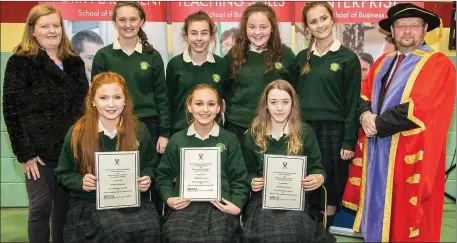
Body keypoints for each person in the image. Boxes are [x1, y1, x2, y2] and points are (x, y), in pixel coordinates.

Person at [342, 3, 456, 242]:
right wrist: (364, 116)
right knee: (378, 212)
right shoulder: (383, 61)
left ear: (425, 29)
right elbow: (364, 94)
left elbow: (420, 107)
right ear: (391, 31)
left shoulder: (438, 63)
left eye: (414, 26)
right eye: (401, 26)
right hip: (378, 152)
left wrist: (377, 125)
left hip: (409, 152)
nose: (407, 31)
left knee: (407, 218)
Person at [2, 4, 88, 243]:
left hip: (70, 150)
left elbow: (84, 107)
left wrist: (83, 145)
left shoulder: (74, 62)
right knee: (40, 208)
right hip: (37, 154)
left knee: (64, 209)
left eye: (56, 25)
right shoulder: (20, 62)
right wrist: (25, 153)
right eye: (45, 26)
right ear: (32, 30)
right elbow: (11, 111)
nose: (52, 31)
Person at [54, 72, 161, 242]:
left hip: (131, 201)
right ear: (93, 101)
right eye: (103, 98)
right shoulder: (77, 132)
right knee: (117, 231)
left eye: (117, 97)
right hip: (90, 203)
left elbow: (151, 164)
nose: (111, 104)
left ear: (125, 100)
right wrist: (81, 182)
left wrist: (148, 177)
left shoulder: (138, 130)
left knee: (152, 228)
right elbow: (63, 172)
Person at [91, 1, 170, 213]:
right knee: (118, 178)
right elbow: (95, 96)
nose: (128, 24)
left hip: (148, 126)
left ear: (142, 21)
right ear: (114, 23)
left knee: (148, 179)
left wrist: (164, 133)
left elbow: (162, 96)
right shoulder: (103, 56)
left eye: (133, 19)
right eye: (122, 20)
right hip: (112, 126)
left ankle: (155, 225)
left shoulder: (152, 56)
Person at [241, 80, 336, 243]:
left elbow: (317, 168)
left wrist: (319, 177)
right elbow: (244, 172)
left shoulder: (305, 132)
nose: (279, 108)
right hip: (262, 200)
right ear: (265, 105)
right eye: (273, 102)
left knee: (294, 232)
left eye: (285, 102)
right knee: (266, 233)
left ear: (293, 105)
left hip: (296, 200)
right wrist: (251, 180)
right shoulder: (252, 134)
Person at [295, 1, 361, 228]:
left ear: (333, 20)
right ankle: (307, 229)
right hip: (303, 129)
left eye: (323, 18)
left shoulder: (348, 59)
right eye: (313, 21)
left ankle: (325, 230)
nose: (320, 25)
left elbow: (353, 102)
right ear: (307, 27)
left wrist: (348, 140)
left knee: (330, 183)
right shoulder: (301, 58)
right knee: (305, 179)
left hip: (334, 130)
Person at [156, 84, 249, 242]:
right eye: (199, 104)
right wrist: (169, 198)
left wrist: (236, 204)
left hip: (220, 207)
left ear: (219, 108)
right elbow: (163, 176)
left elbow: (239, 179)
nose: (205, 109)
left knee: (218, 237)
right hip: (183, 206)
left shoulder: (230, 139)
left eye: (211, 104)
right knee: (178, 237)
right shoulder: (177, 140)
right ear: (189, 107)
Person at [224, 2, 297, 143]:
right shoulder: (233, 55)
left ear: (272, 28)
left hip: (275, 128)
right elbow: (225, 89)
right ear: (245, 29)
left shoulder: (286, 55)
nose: (257, 32)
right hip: (238, 128)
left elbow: (294, 90)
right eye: (252, 27)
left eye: (263, 27)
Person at [166, 10, 229, 135]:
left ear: (211, 36)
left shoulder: (222, 65)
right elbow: (168, 102)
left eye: (204, 33)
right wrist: (165, 133)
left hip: (214, 133)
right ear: (186, 36)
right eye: (194, 33)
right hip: (181, 131)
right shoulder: (175, 64)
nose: (199, 38)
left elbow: (227, 100)